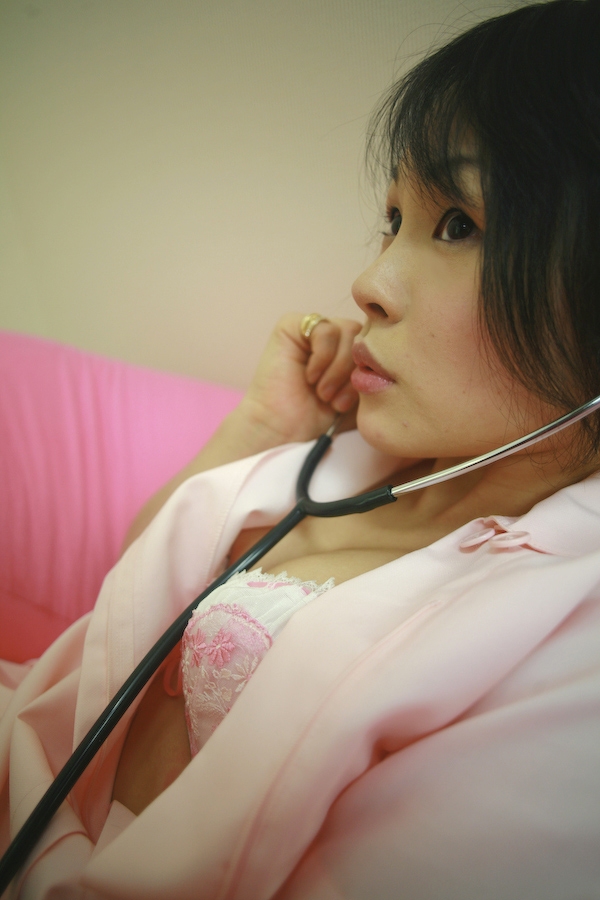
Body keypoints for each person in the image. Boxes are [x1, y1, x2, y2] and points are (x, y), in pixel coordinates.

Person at [2, 0, 600, 896]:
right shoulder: (348, 461)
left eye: (458, 225)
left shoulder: (572, 642)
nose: (370, 282)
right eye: (392, 219)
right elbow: (124, 626)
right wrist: (262, 426)